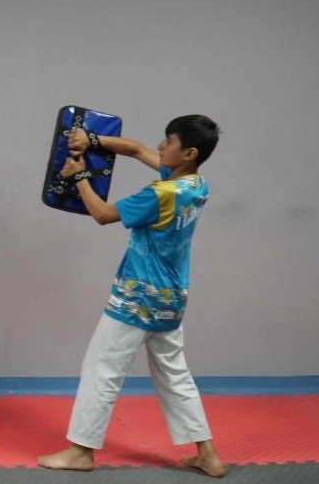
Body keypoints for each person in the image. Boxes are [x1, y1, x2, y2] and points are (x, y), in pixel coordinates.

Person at [37, 115, 225, 478]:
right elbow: (136, 149)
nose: (160, 145)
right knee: (175, 376)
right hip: (171, 299)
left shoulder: (159, 194)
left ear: (188, 152)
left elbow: (103, 214)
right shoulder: (195, 184)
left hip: (137, 297)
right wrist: (91, 139)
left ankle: (81, 451)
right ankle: (208, 454)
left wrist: (79, 176)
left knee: (101, 370)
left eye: (168, 141)